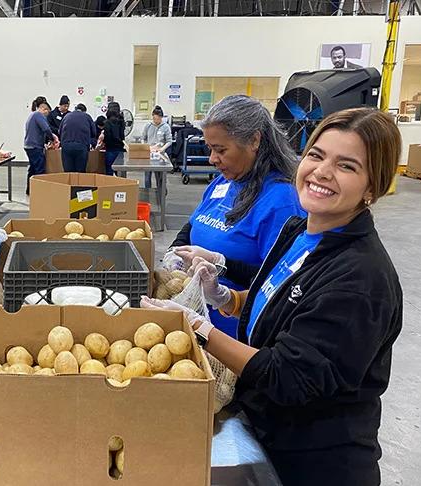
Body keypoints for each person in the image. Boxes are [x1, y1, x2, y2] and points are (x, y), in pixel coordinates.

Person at [145, 108, 403, 486]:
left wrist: (197, 328)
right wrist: (225, 298)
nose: (321, 172)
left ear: (372, 186)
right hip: (267, 430)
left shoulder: (360, 279)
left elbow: (287, 375)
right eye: (316, 155)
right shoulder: (301, 231)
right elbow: (282, 299)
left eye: (346, 166)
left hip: (313, 463)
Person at [166, 95, 304, 338]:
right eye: (210, 149)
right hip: (198, 325)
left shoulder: (281, 201)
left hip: (234, 337)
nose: (212, 159)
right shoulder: (225, 181)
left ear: (254, 140)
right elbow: (194, 222)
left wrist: (222, 264)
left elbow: (280, 282)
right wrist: (176, 248)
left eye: (220, 150)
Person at [24, 98, 58, 195]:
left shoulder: (32, 115)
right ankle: (39, 192)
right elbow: (46, 128)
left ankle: (30, 190)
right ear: (44, 109)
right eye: (47, 112)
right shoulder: (38, 115)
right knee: (40, 169)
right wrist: (52, 138)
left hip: (29, 146)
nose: (47, 116)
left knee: (33, 169)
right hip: (35, 147)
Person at [141, 105, 173, 188]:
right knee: (147, 177)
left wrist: (161, 149)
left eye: (158, 119)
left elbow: (169, 141)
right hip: (149, 154)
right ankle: (147, 192)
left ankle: (161, 193)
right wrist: (146, 147)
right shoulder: (148, 126)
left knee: (159, 177)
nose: (156, 121)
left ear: (161, 118)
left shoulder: (165, 127)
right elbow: (143, 138)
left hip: (160, 154)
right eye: (154, 119)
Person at [59, 103, 96, 172]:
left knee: (68, 173)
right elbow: (94, 133)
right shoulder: (87, 116)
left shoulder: (67, 116)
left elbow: (60, 131)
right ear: (84, 111)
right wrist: (92, 143)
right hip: (81, 146)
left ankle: (68, 182)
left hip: (66, 146)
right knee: (80, 173)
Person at [102, 106, 126, 175]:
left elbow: (107, 137)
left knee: (109, 170)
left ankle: (110, 185)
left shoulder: (107, 123)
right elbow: (122, 136)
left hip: (110, 149)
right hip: (120, 150)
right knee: (120, 171)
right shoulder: (121, 122)